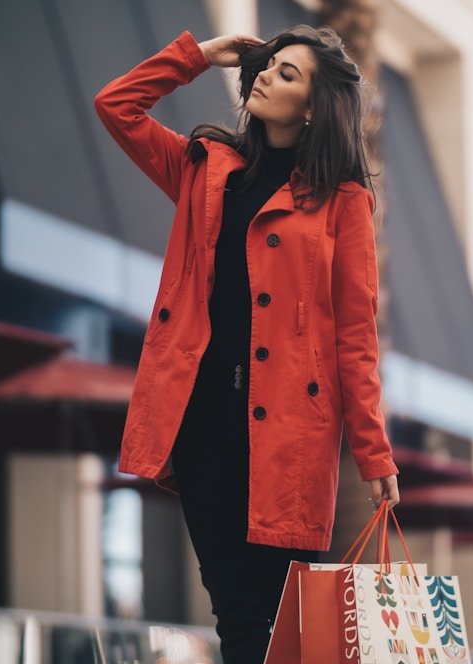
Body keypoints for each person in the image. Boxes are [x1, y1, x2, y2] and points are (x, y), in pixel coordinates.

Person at [95, 24, 399, 664]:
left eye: (288, 74)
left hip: (293, 438)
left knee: (284, 622)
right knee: (236, 616)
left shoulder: (343, 203)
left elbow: (355, 340)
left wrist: (374, 455)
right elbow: (116, 106)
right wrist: (197, 57)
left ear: (314, 106)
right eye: (269, 66)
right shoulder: (204, 168)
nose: (266, 75)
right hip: (203, 425)